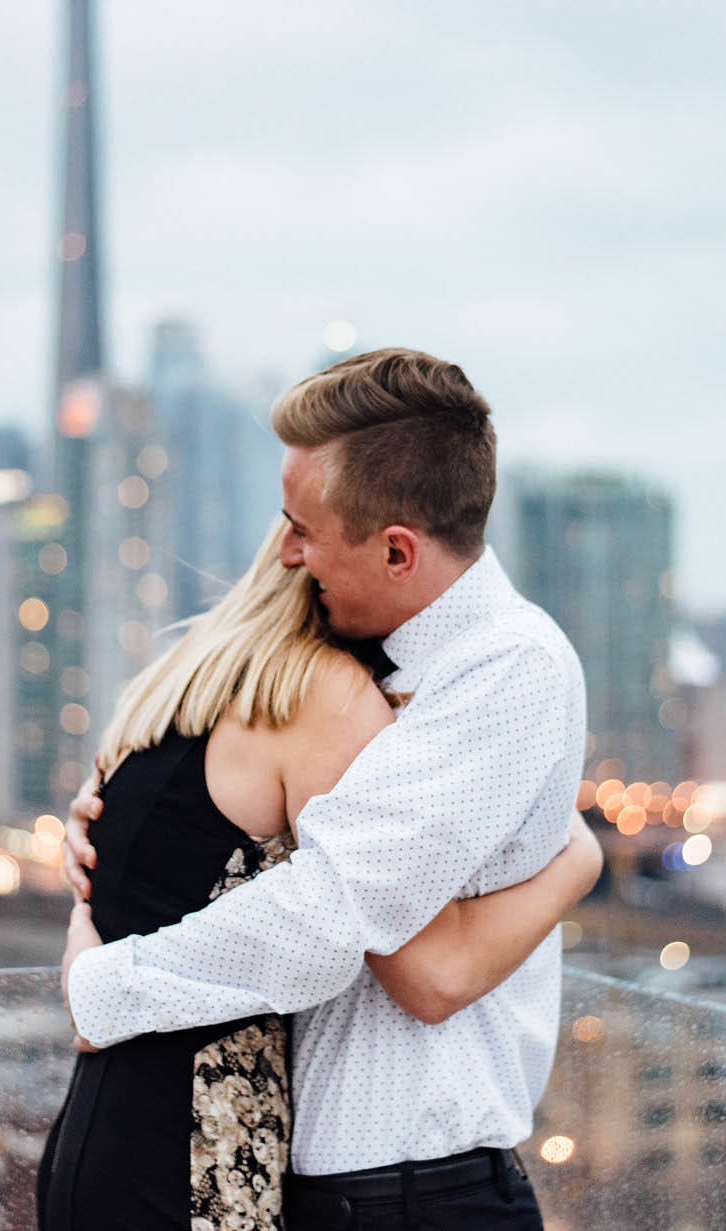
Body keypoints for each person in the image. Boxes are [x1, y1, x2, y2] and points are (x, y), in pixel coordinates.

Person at [59, 348, 590, 1230]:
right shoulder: (354, 659)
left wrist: (108, 986)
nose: (286, 552)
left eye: (303, 528)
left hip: (424, 1196)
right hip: (321, 1194)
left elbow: (343, 917)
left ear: (396, 550)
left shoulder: (508, 668)